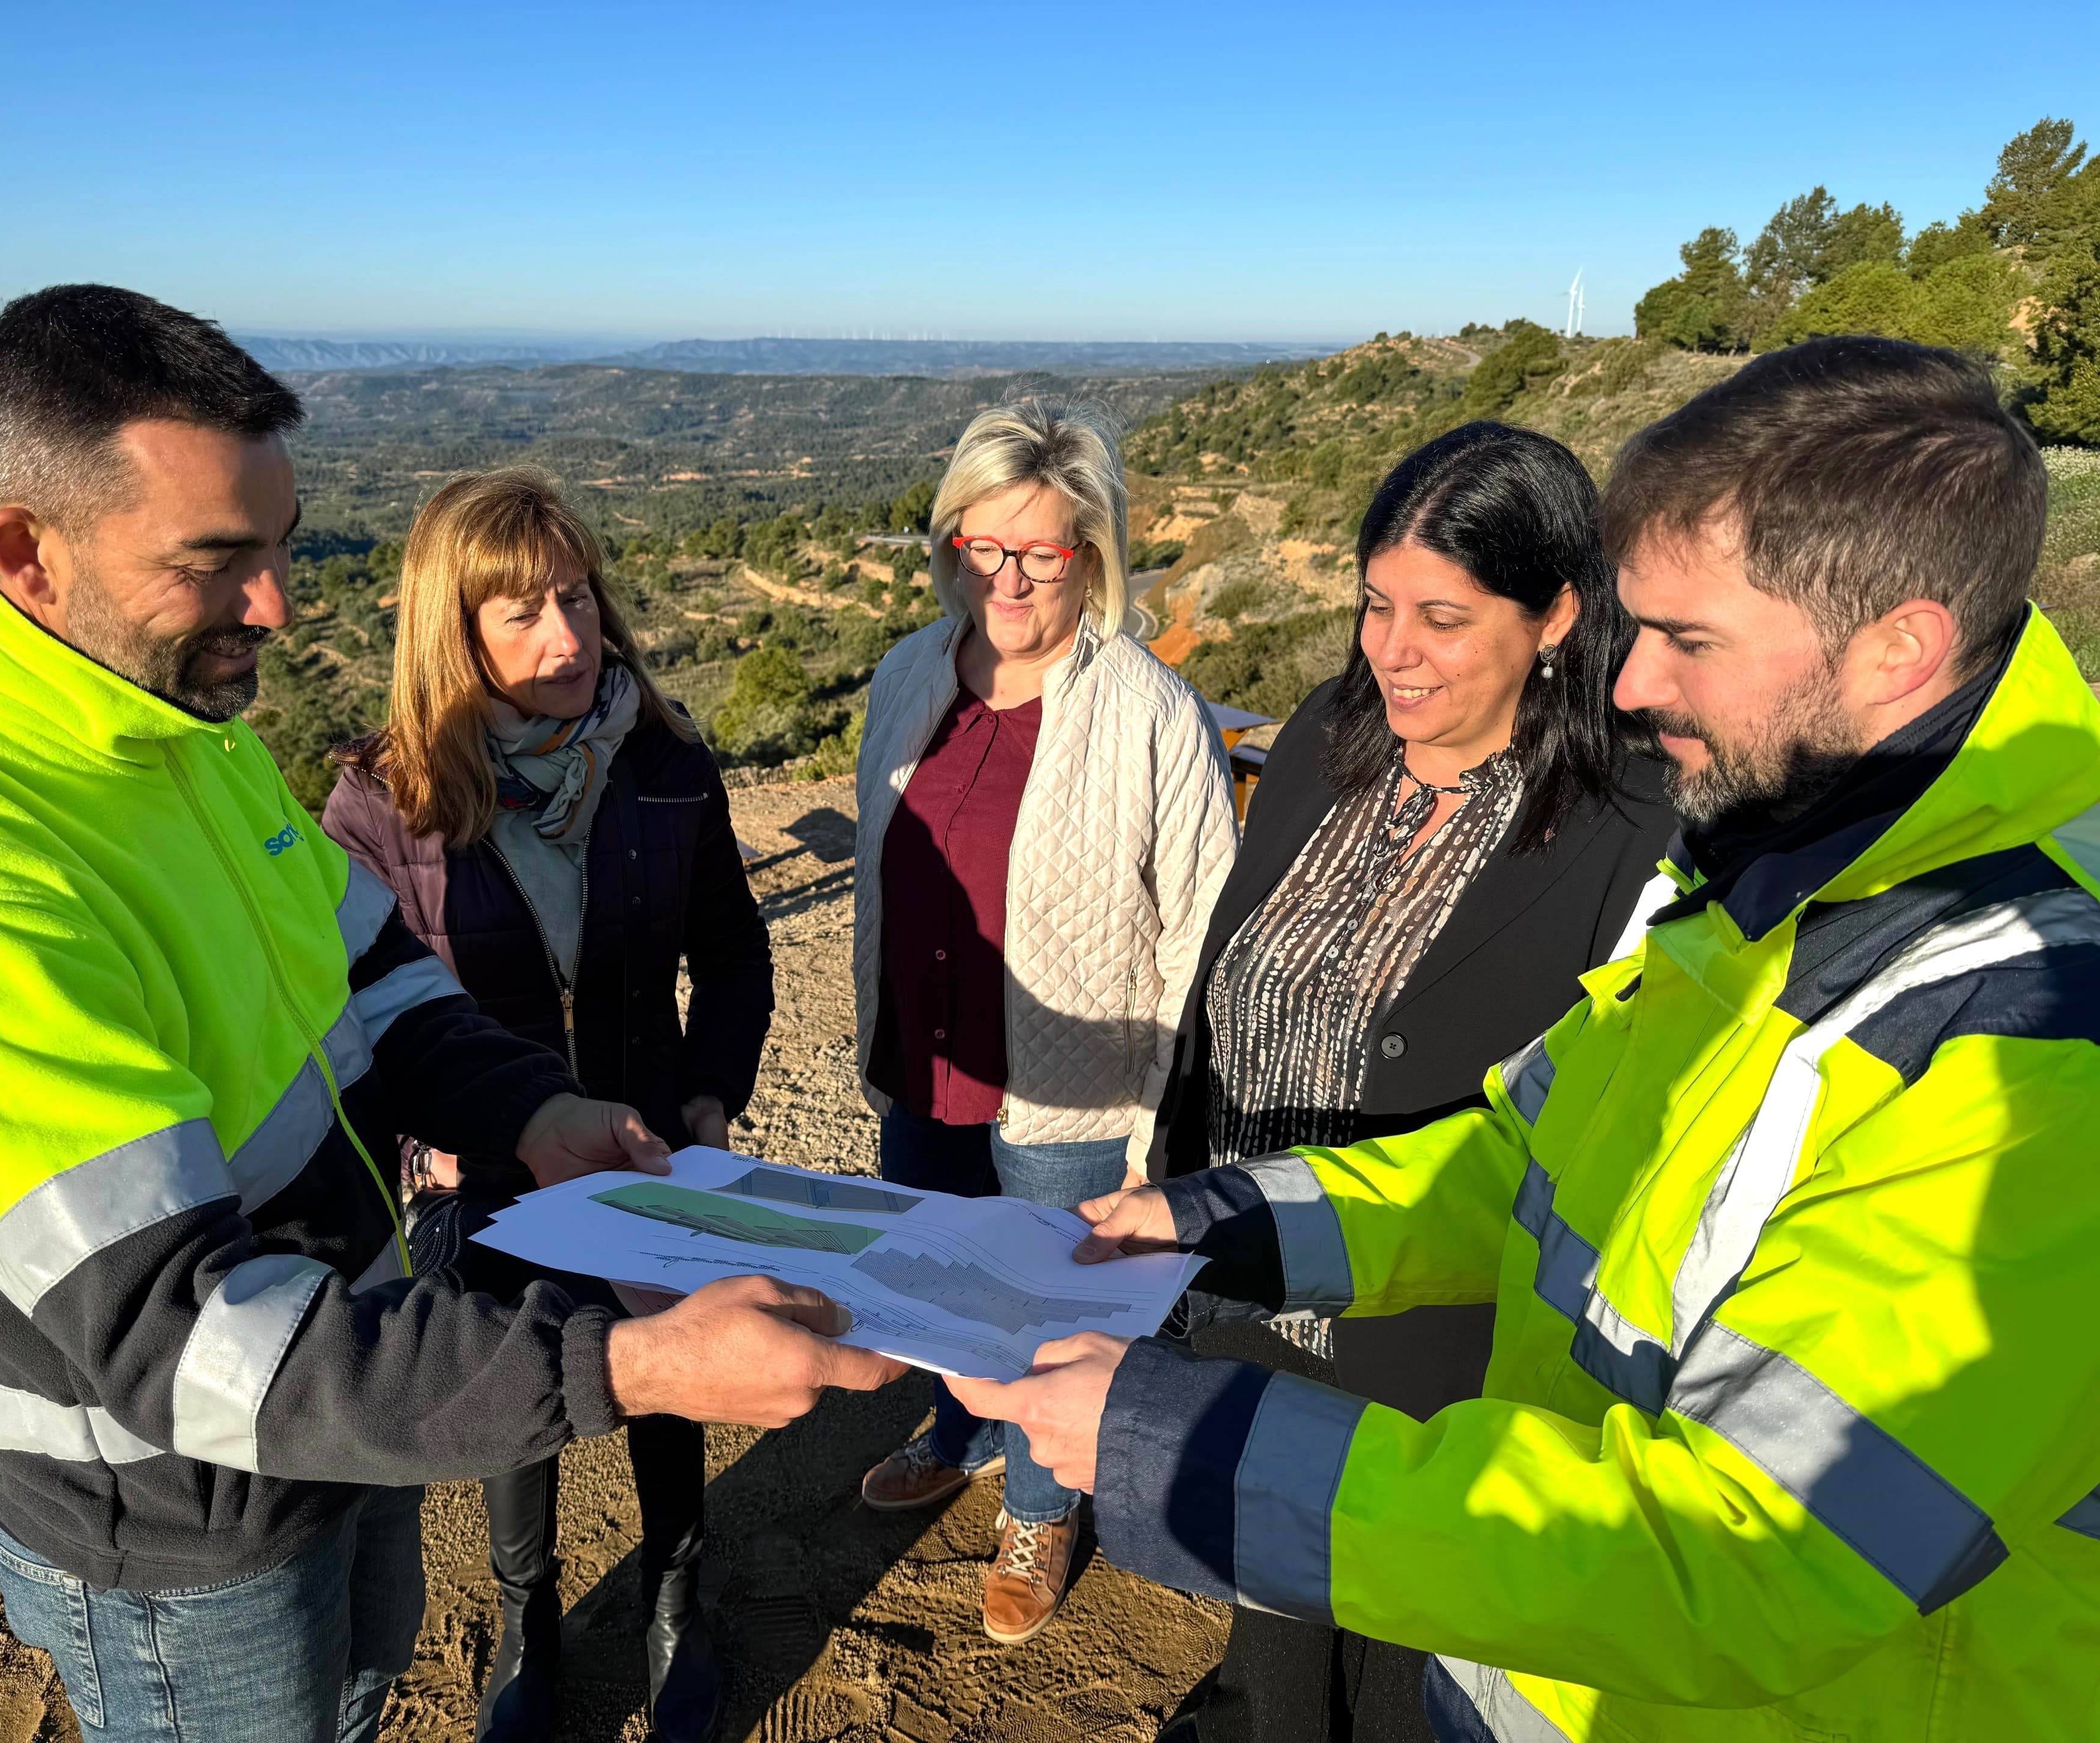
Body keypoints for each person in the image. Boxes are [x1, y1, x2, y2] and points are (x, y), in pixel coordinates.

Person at [0, 285, 901, 1743]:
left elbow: (368, 969)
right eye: (219, 562)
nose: (278, 608)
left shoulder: (178, 733)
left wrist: (531, 1111)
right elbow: (187, 1346)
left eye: (284, 546)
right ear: (26, 554)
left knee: (361, 1704)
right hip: (187, 1526)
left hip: (341, 1411)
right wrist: (636, 1365)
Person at [957, 337, 2100, 1743]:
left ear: (1899, 647)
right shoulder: (1783, 862)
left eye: (1688, 642)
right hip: (1552, 1655)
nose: (1631, 689)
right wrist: (1223, 1218)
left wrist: (1173, 1443)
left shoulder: (2036, 1032)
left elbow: (1750, 1559)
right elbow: (1529, 1153)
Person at [1145, 423, 1674, 1743]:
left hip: (1438, 1346)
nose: (1392, 650)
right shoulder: (1330, 733)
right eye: (1377, 606)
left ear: (1558, 614)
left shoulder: (1631, 821)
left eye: (1442, 617)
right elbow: (1230, 961)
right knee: (1270, 1602)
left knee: (1405, 1663)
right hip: (1248, 1274)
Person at [322, 467, 773, 1743]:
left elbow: (735, 954)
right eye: (518, 613)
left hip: (648, 1146)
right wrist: (427, 1151)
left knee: (674, 1377)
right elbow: (355, 1011)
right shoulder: (383, 800)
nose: (565, 639)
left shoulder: (670, 764)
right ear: (448, 632)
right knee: (512, 1389)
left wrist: (709, 1101)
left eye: (575, 598)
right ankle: (529, 1611)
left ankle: (677, 1588)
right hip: (483, 1166)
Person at [851, 400, 1238, 1644]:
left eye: (1042, 552)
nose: (1008, 577)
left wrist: (1161, 1119)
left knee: (1045, 1318)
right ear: (950, 541)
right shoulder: (910, 673)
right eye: (985, 545)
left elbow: (1202, 928)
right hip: (925, 1057)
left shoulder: (1149, 711)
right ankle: (959, 1430)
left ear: (1091, 554)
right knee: (940, 1280)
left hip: (1073, 1087)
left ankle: (1038, 1504)